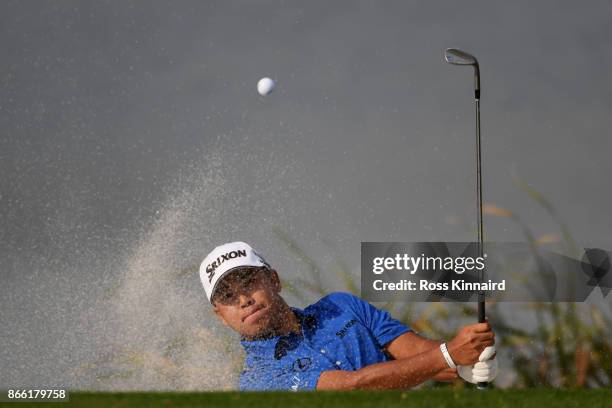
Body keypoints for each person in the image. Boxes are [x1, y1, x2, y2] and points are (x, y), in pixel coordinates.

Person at [200, 241, 498, 391]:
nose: (244, 300)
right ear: (220, 315)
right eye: (228, 296)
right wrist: (448, 356)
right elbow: (352, 387)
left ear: (274, 280)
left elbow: (416, 355)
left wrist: (467, 362)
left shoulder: (340, 307)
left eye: (249, 282)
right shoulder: (258, 380)